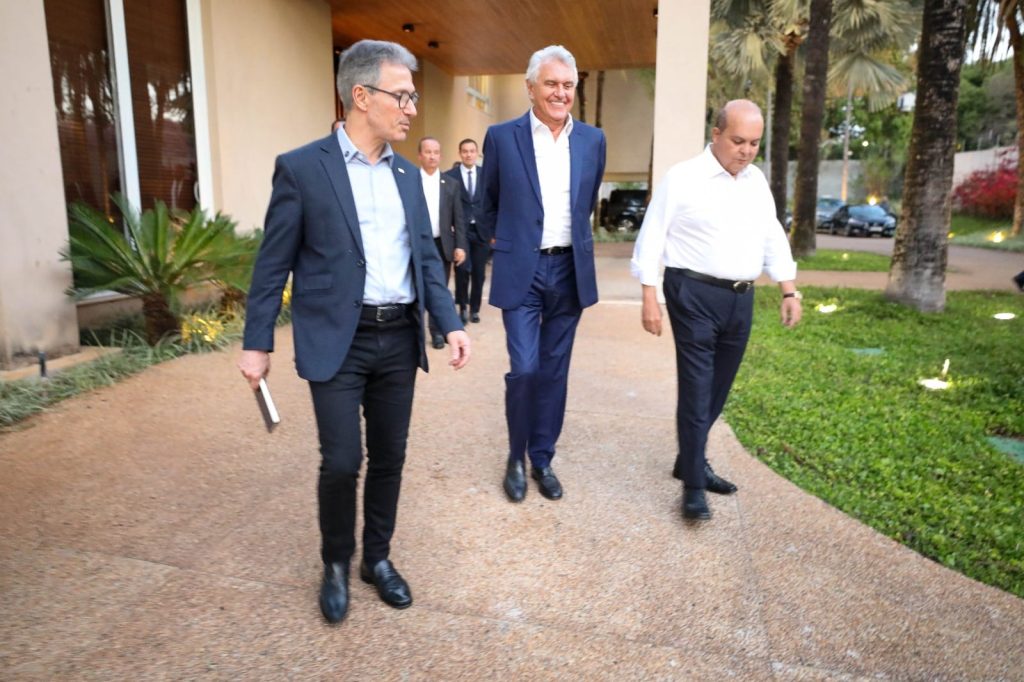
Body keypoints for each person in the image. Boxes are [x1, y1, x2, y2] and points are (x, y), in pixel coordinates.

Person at [238, 40, 471, 624]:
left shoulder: (407, 175)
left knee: (390, 455)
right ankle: (337, 563)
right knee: (343, 459)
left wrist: (450, 323)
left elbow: (426, 258)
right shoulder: (302, 168)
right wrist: (257, 342)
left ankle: (378, 559)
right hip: (336, 339)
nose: (412, 109)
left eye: (413, 97)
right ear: (361, 96)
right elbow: (272, 265)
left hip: (398, 338)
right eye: (403, 96)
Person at [631, 99, 801, 522]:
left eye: (754, 143)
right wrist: (650, 295)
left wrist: (788, 289)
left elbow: (772, 234)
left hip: (741, 298)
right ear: (717, 134)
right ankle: (693, 486)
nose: (746, 151)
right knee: (697, 387)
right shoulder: (683, 177)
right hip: (693, 293)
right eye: (739, 141)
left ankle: (688, 459)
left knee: (719, 388)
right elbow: (652, 235)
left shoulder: (756, 181)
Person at [481, 45, 606, 502]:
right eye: (551, 84)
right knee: (525, 368)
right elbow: (487, 202)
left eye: (568, 85)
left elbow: (586, 200)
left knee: (554, 371)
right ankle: (515, 456)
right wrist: (503, 244)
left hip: (569, 269)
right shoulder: (502, 137)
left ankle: (543, 458)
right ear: (530, 87)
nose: (560, 93)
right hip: (522, 270)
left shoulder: (593, 140)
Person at [418, 136, 467, 348]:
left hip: (442, 244)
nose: (432, 156)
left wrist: (460, 245)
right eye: (428, 152)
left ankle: (437, 331)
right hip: (418, 244)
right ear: (420, 155)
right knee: (417, 288)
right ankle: (416, 332)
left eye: (436, 152)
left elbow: (459, 217)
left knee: (440, 288)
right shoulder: (411, 180)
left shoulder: (451, 184)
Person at [447, 139, 488, 323]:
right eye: (465, 151)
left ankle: (475, 309)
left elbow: (493, 201)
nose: (468, 154)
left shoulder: (486, 174)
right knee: (462, 271)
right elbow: (446, 204)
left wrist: (493, 229)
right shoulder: (450, 176)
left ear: (477, 153)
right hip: (460, 231)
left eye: (472, 151)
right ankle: (462, 306)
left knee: (479, 273)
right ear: (460, 153)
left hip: (481, 231)